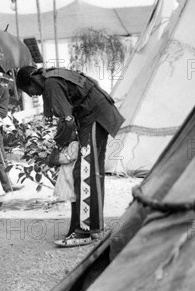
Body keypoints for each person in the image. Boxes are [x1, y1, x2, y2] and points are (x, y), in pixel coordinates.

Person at [16, 66, 125, 247]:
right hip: (102, 115)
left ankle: (84, 231)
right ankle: (94, 227)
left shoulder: (50, 83)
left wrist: (58, 148)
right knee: (93, 173)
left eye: (28, 90)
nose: (31, 95)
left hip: (93, 117)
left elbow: (66, 120)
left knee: (83, 173)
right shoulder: (52, 76)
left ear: (32, 81)